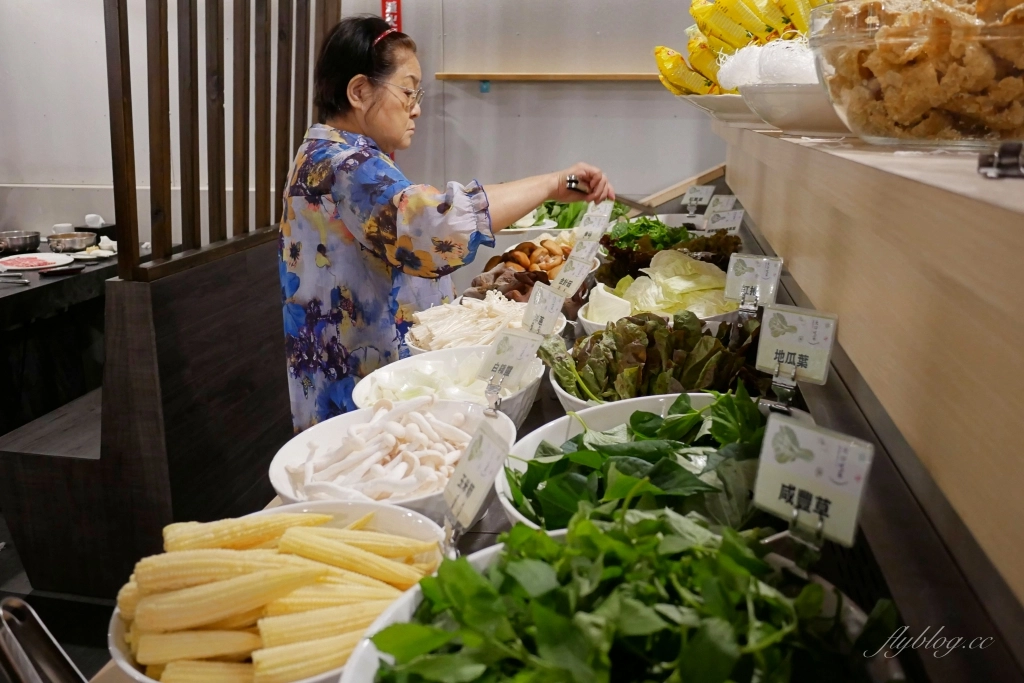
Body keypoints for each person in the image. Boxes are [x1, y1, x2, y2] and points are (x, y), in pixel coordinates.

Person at [279, 15, 615, 432]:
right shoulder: (348, 163)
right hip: (363, 394)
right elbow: (435, 227)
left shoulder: (328, 152)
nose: (416, 107)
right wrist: (551, 183)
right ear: (360, 90)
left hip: (362, 381)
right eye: (407, 91)